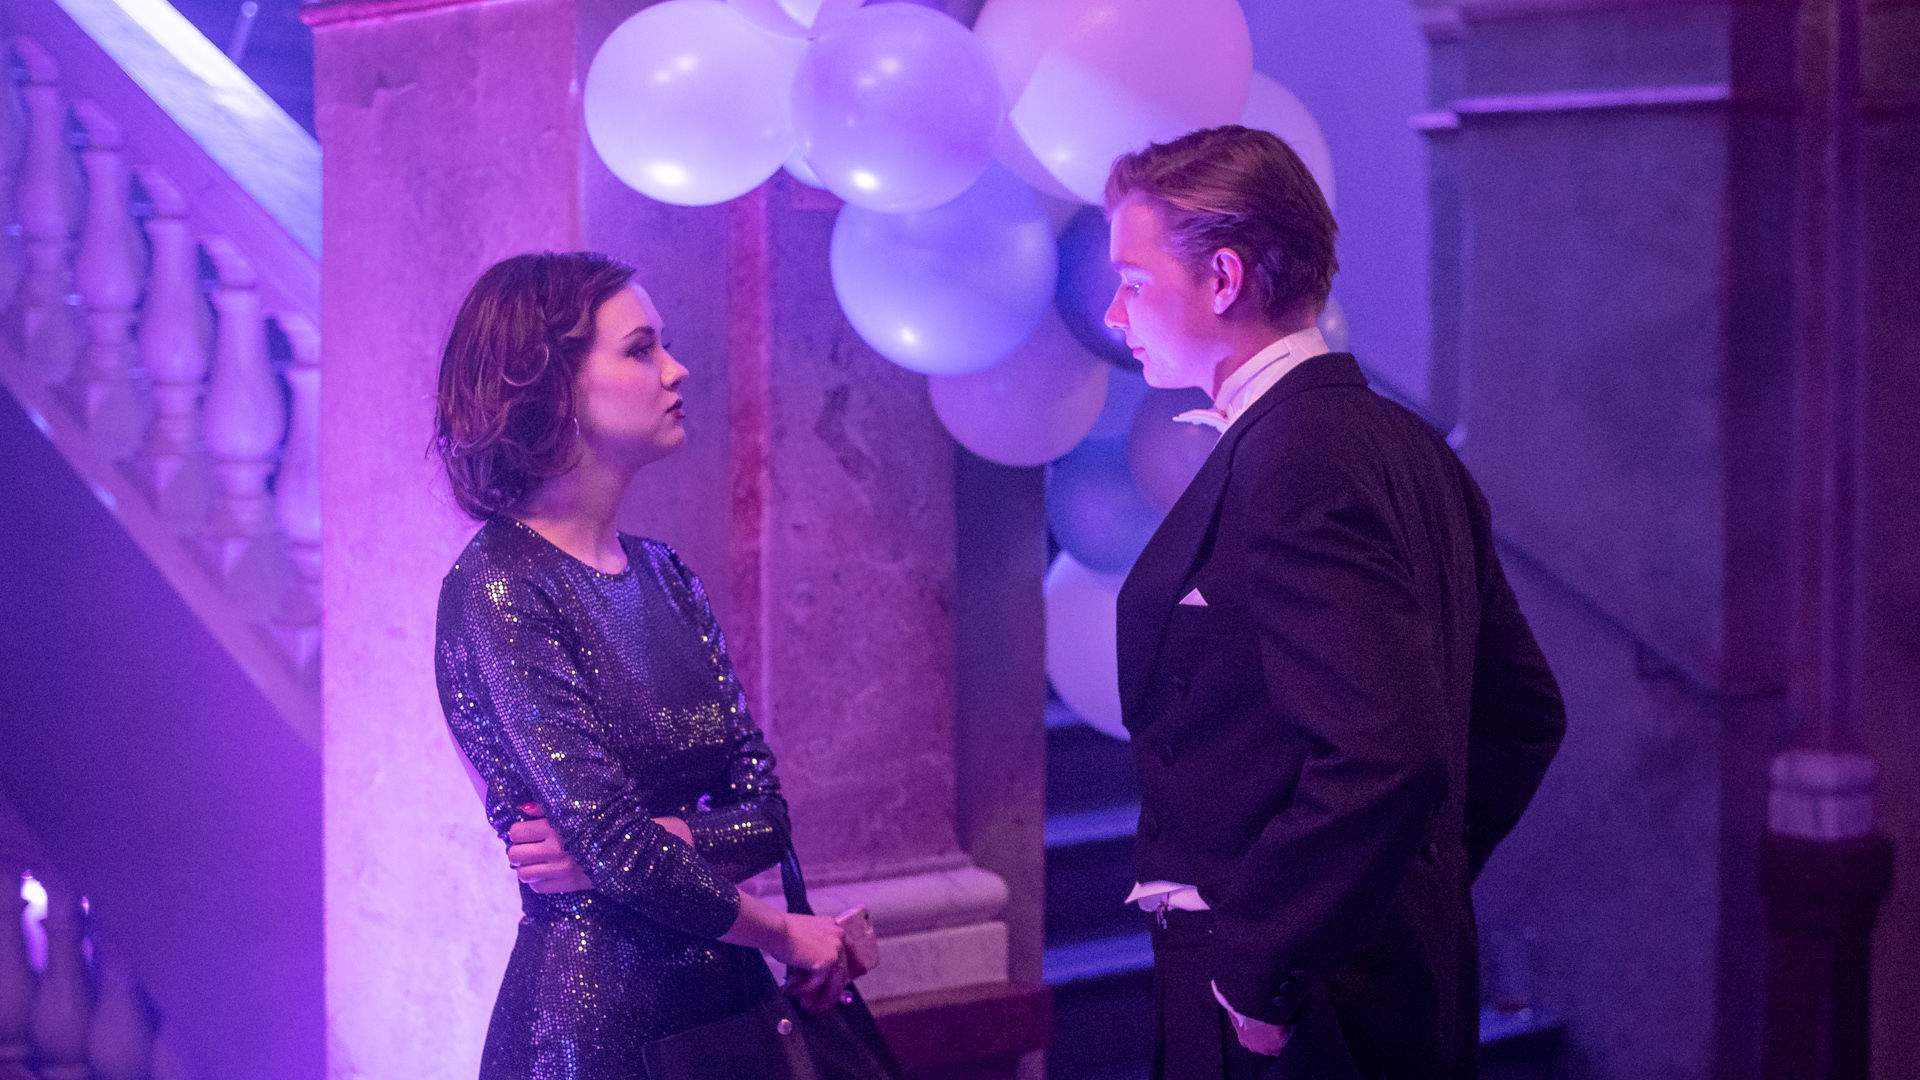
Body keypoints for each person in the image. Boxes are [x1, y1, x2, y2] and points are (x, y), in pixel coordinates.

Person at [1102, 126, 1567, 1080]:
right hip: (1350, 970)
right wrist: (1403, 880)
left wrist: (1266, 958)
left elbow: (1389, 749)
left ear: (1223, 278)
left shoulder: (1296, 456)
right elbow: (1522, 714)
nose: (1114, 314)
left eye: (1134, 282)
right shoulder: (1405, 441)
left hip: (1287, 998)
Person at [432, 252, 851, 1078]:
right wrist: (779, 932)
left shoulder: (665, 574)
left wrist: (661, 839)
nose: (675, 368)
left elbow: (767, 815)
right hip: (593, 1034)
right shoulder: (499, 587)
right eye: (640, 349)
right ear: (552, 389)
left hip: (728, 1015)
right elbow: (614, 845)